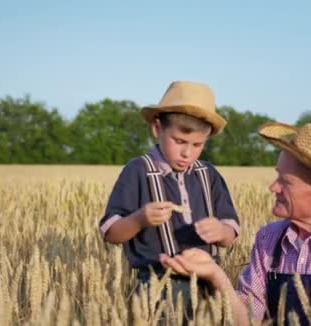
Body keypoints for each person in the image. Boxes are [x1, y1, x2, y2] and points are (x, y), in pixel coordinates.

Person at [161, 121, 311, 325]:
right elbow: (248, 321)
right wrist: (216, 276)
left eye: (285, 181)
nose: (273, 187)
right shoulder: (269, 239)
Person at [98, 81, 240, 319]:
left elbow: (230, 234)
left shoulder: (209, 175)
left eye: (198, 145)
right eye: (179, 141)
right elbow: (111, 233)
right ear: (157, 129)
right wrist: (140, 219)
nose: (187, 153)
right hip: (157, 288)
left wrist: (221, 230)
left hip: (210, 287)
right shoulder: (138, 171)